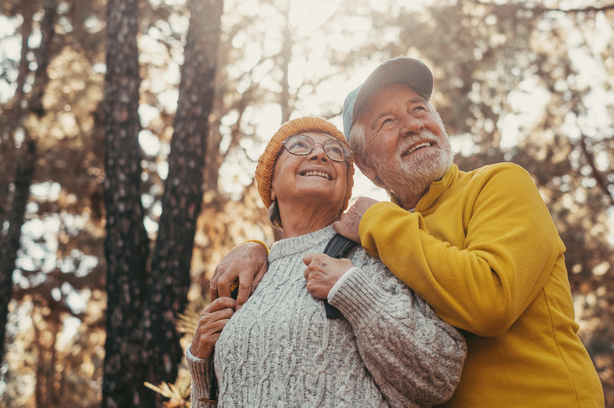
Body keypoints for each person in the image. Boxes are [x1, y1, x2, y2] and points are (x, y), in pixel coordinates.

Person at [212, 57, 606, 406]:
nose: (414, 124)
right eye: (387, 121)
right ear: (366, 166)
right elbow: (304, 240)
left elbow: (491, 301)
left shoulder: (498, 185)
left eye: (419, 109)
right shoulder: (367, 240)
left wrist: (377, 221)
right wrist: (256, 248)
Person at [186, 116, 466, 407]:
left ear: (345, 191)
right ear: (271, 186)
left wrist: (354, 291)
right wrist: (201, 368)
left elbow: (438, 378)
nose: (319, 154)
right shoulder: (247, 278)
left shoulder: (374, 256)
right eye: (299, 146)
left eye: (335, 152)